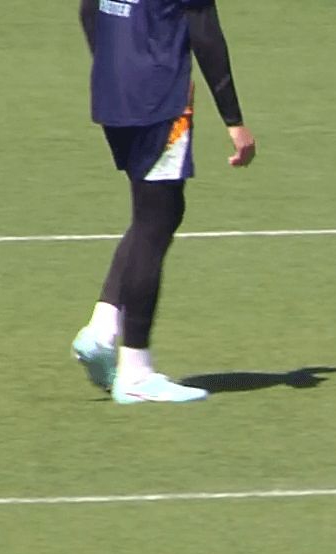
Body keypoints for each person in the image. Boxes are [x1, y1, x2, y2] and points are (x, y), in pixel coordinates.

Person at [71, 0, 256, 404]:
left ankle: (102, 329)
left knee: (157, 211)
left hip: (113, 90)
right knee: (156, 220)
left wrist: (114, 68)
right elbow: (205, 33)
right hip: (159, 98)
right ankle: (135, 370)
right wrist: (234, 121)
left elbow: (88, 10)